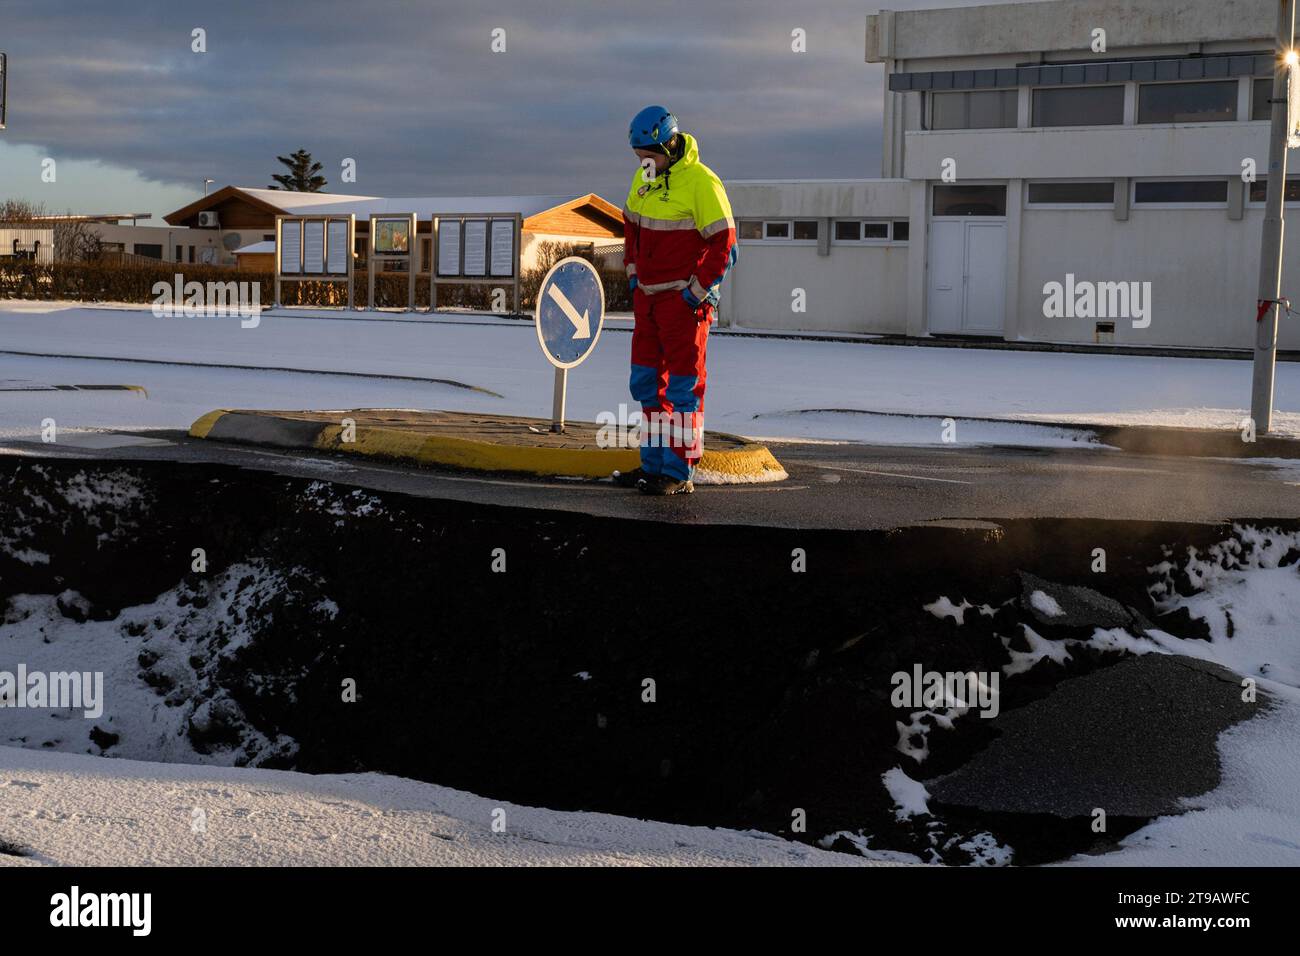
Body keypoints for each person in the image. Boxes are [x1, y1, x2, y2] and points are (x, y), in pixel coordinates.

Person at [614, 105, 737, 496]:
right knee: (648, 385)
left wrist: (696, 293)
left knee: (684, 389)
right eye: (639, 158)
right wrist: (633, 274)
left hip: (683, 304)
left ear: (669, 144)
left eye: (649, 156)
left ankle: (678, 472)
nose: (644, 164)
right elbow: (630, 228)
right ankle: (652, 466)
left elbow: (726, 245)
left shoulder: (702, 182)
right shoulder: (644, 179)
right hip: (648, 302)